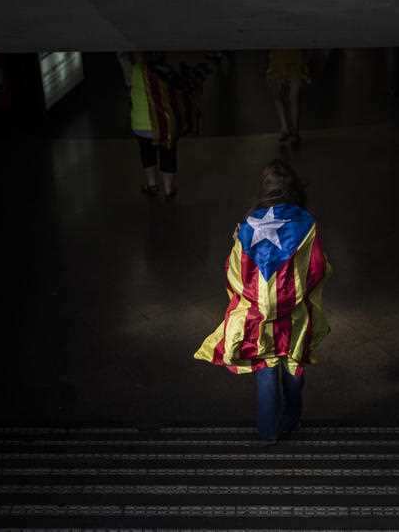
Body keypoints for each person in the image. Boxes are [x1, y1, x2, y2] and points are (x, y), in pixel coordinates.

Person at [194, 160, 331, 443]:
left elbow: (233, 272)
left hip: (256, 319)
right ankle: (291, 421)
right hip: (294, 317)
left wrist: (252, 301)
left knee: (266, 372)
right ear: (294, 189)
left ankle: (268, 432)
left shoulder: (246, 227)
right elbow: (317, 268)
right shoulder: (306, 225)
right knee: (293, 366)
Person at [126, 51, 180, 200]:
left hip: (140, 125)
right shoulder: (167, 71)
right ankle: (168, 190)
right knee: (168, 155)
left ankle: (152, 185)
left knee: (147, 154)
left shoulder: (136, 70)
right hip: (164, 125)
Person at [266, 50, 310, 147]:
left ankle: (292, 130)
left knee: (292, 97)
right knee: (279, 95)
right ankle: (286, 129)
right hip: (281, 59)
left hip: (292, 59)